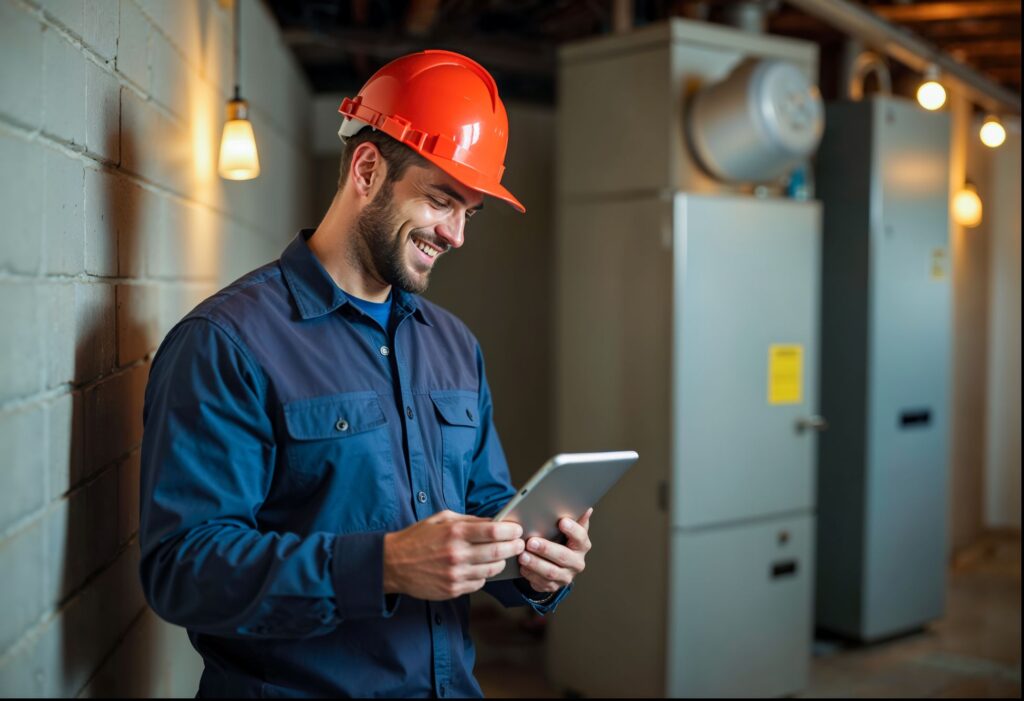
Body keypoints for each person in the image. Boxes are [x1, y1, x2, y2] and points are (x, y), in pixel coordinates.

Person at [138, 50, 594, 698]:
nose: (457, 234)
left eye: (469, 210)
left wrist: (536, 563)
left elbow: (488, 507)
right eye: (442, 200)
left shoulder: (455, 346)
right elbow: (181, 569)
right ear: (368, 168)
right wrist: (382, 565)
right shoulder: (226, 344)